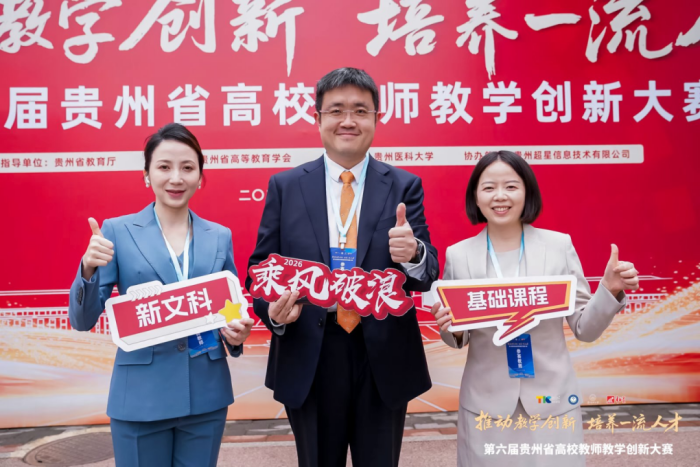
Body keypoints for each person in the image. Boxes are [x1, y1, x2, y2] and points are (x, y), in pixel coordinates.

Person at [245, 67, 439, 467]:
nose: (348, 120)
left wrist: (414, 253)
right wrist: (274, 313)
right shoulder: (286, 186)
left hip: (381, 353)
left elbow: (426, 273)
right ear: (318, 118)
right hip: (310, 351)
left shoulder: (403, 185)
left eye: (360, 111)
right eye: (336, 110)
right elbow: (260, 269)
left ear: (376, 119)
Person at [430, 150, 639, 467]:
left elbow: (585, 329)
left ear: (527, 192)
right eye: (489, 187)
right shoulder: (459, 255)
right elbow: (459, 337)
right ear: (475, 196)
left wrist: (609, 290)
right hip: (487, 404)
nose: (500, 196)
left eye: (511, 186)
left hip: (551, 402)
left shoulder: (558, 247)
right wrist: (449, 327)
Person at [68, 123, 254, 467]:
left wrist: (237, 333)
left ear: (201, 177)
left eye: (187, 167)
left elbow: (229, 308)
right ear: (146, 174)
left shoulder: (219, 236)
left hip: (206, 395)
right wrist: (88, 269)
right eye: (164, 167)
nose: (176, 178)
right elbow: (83, 320)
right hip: (140, 397)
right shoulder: (117, 231)